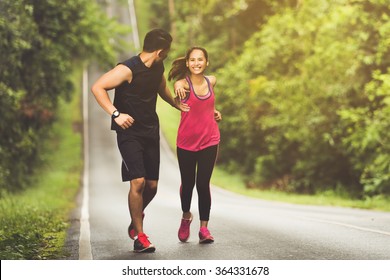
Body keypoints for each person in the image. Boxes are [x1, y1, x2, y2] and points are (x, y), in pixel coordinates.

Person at [91, 29, 189, 253]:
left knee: (152, 186)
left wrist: (175, 104)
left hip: (150, 130)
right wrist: (116, 114)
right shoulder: (126, 69)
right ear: (160, 51)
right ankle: (140, 236)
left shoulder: (157, 67)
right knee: (138, 182)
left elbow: (161, 87)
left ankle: (137, 217)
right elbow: (97, 87)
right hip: (129, 133)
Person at [168, 47, 222, 244]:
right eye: (192, 60)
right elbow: (177, 88)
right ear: (187, 63)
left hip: (210, 139)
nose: (196, 63)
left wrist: (214, 111)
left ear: (206, 62)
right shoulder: (183, 84)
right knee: (188, 184)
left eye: (200, 60)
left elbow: (206, 104)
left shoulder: (212, 81)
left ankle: (204, 229)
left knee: (203, 184)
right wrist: (176, 89)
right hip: (186, 142)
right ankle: (185, 216)